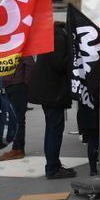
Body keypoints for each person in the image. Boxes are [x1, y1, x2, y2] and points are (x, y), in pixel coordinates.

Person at [29, 21, 77, 180]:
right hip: (53, 92)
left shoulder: (52, 35)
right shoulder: (59, 37)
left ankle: (53, 164)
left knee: (52, 128)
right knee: (54, 129)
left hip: (48, 90)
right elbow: (59, 64)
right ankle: (52, 167)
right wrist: (72, 56)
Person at [0, 56, 33, 161]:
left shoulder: (20, 44)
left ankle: (18, 148)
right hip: (11, 84)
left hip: (17, 85)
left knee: (18, 118)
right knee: (16, 117)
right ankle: (17, 147)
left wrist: (25, 82)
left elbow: (30, 64)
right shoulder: (12, 44)